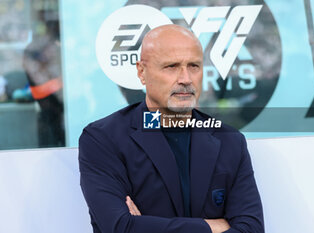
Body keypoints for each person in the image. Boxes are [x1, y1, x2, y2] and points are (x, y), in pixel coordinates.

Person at [79, 24, 264, 233]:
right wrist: (213, 226)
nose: (185, 79)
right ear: (141, 72)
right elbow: (121, 227)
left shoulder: (229, 140)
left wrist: (147, 226)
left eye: (194, 66)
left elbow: (252, 229)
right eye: (172, 66)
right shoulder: (104, 139)